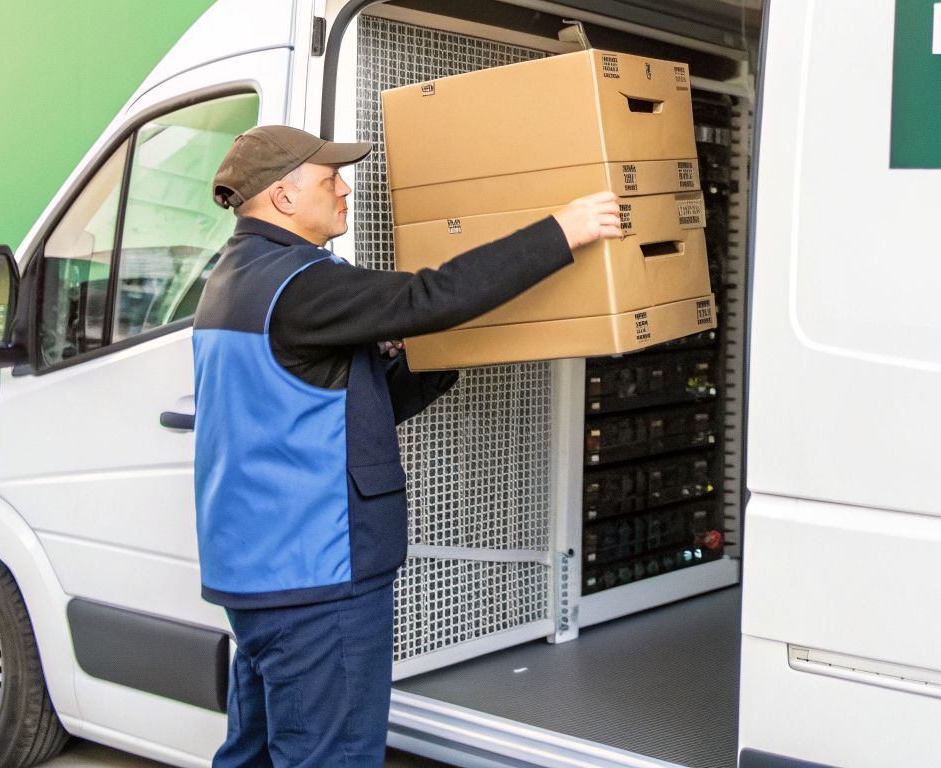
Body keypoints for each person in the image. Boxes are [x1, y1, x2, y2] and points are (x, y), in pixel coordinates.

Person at [191, 124, 620, 767]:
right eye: (328, 177)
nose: (345, 187)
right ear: (282, 197)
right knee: (329, 757)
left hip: (259, 575)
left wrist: (435, 354)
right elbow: (431, 295)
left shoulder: (232, 279)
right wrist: (564, 230)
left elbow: (350, 408)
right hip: (318, 578)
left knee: (251, 755)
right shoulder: (300, 283)